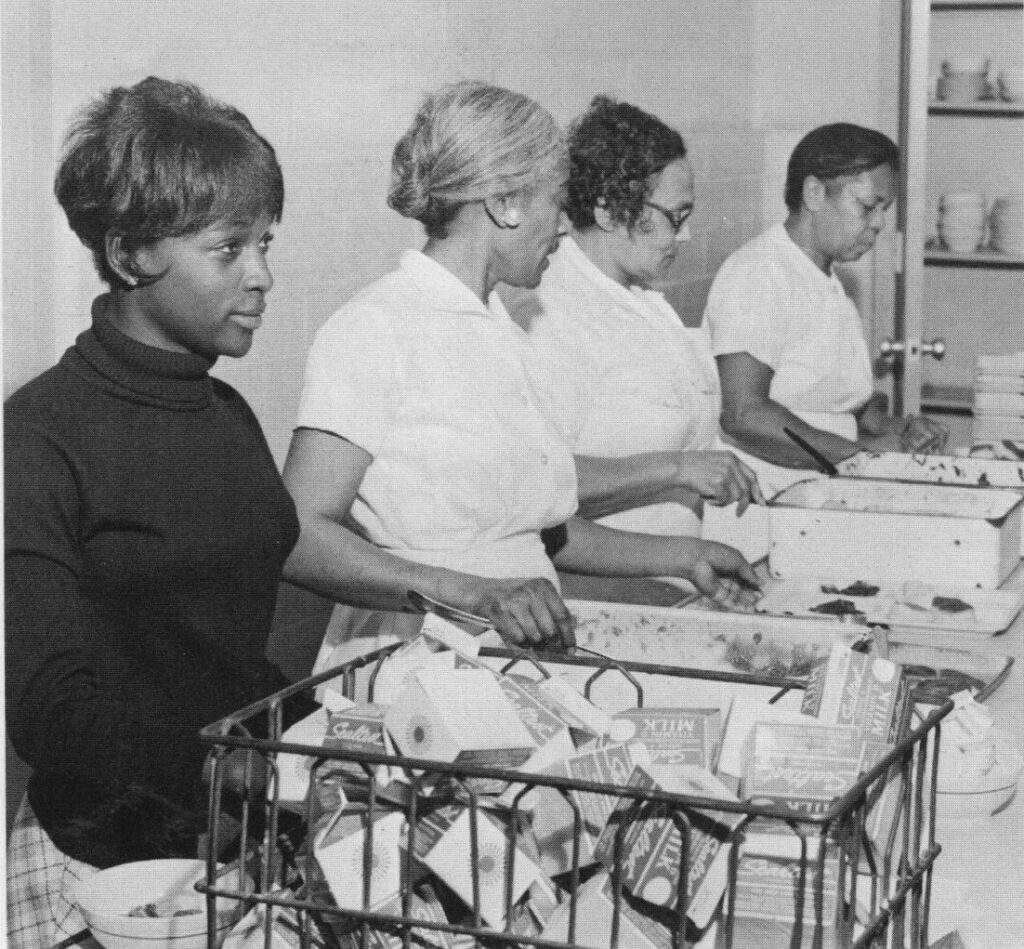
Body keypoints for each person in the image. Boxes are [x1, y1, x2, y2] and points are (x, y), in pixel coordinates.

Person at [282, 81, 760, 673]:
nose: (565, 226)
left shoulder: (502, 327)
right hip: (417, 660)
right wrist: (477, 593)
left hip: (520, 651)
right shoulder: (376, 328)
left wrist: (686, 556)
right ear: (506, 204)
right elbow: (298, 532)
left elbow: (533, 531)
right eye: (556, 201)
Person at [5, 77, 313, 949]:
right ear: (134, 253)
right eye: (229, 249)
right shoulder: (37, 434)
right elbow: (50, 706)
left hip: (232, 837)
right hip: (113, 871)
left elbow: (220, 638)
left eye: (265, 242)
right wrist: (235, 765)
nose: (262, 276)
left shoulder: (225, 412)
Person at [506, 96, 763, 599]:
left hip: (668, 580)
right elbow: (530, 484)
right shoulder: (550, 313)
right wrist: (680, 468)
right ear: (606, 209)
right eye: (675, 216)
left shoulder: (643, 299)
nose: (684, 236)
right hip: (595, 594)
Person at [705, 122, 948, 480]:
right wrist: (863, 456)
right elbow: (744, 413)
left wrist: (899, 430)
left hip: (818, 487)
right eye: (868, 206)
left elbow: (839, 404)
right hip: (767, 495)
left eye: (885, 209)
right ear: (815, 193)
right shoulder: (760, 273)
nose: (880, 223)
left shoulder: (825, 280)